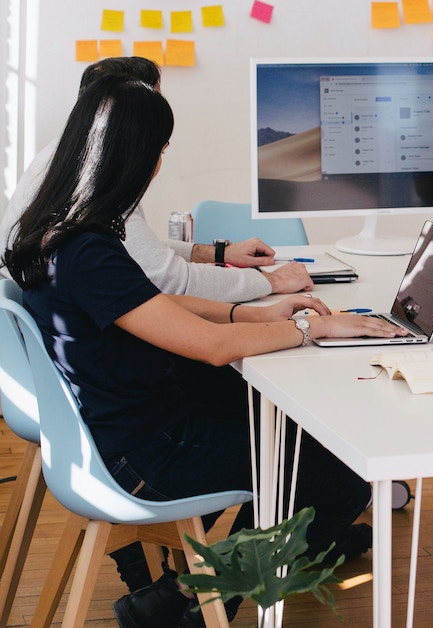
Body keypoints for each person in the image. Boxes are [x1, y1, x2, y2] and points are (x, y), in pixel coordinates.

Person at [3, 77, 403, 628]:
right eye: (160, 151)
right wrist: (316, 330)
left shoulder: (59, 232)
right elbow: (213, 349)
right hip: (140, 455)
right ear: (137, 157)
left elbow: (155, 304)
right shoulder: (88, 250)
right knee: (336, 477)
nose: (160, 164)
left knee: (285, 432)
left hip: (124, 426)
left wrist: (254, 314)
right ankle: (188, 608)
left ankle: (176, 599)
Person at [0, 56, 312, 302]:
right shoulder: (95, 182)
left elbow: (132, 250)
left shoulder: (62, 160)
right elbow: (170, 280)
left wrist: (219, 254)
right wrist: (270, 282)